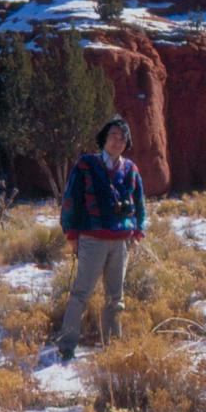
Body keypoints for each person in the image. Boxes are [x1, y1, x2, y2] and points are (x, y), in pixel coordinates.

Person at [57, 115, 146, 361]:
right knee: (81, 294)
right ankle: (67, 346)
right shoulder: (86, 164)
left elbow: (140, 203)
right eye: (113, 136)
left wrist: (138, 232)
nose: (118, 141)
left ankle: (113, 347)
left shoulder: (130, 169)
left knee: (115, 298)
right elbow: (70, 200)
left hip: (121, 242)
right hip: (92, 240)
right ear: (104, 139)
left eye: (122, 138)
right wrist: (71, 233)